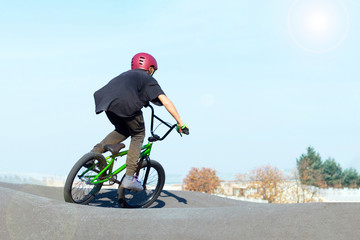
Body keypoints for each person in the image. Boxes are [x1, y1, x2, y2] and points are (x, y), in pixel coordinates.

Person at [91, 52, 189, 192]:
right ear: (149, 68)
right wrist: (180, 122)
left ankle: (92, 155)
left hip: (107, 104)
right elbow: (165, 101)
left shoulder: (125, 75)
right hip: (126, 104)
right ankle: (129, 177)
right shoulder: (147, 78)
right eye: (153, 70)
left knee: (122, 129)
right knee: (138, 134)